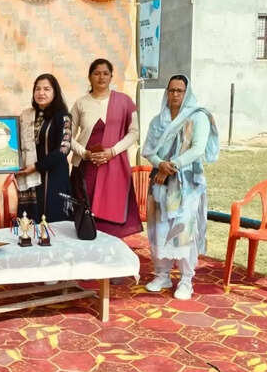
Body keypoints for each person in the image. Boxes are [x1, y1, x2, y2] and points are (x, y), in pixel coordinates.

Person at [143, 74, 220, 300]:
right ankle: (162, 274)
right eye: (171, 90)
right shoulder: (158, 121)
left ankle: (186, 280)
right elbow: (148, 150)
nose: (175, 94)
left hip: (187, 183)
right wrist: (160, 164)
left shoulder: (198, 117)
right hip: (160, 181)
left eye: (180, 90)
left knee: (183, 229)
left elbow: (197, 149)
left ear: (187, 93)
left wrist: (173, 164)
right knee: (160, 228)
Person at [71, 58, 142, 237]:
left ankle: (111, 252)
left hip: (114, 166)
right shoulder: (81, 103)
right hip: (86, 168)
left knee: (111, 220)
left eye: (105, 73)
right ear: (89, 77)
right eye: (96, 73)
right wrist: (84, 154)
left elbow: (134, 132)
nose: (101, 77)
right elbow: (67, 136)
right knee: (86, 217)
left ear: (111, 76)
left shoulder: (124, 101)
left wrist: (113, 151)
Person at [15, 73, 72, 222]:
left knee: (51, 223)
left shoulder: (63, 116)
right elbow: (13, 141)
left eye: (46, 89)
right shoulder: (27, 116)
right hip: (30, 177)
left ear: (55, 92)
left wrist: (36, 166)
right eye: (38, 89)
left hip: (53, 178)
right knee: (29, 222)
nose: (41, 93)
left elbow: (64, 149)